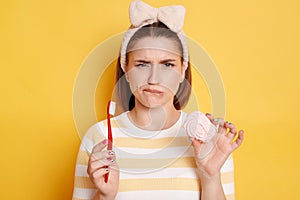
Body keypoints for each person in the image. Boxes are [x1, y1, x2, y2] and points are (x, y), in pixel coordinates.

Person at [72, 1, 244, 199]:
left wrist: (210, 176)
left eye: (168, 64)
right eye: (142, 64)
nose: (154, 79)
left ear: (182, 70)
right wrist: (104, 196)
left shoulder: (210, 140)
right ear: (125, 69)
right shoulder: (97, 137)